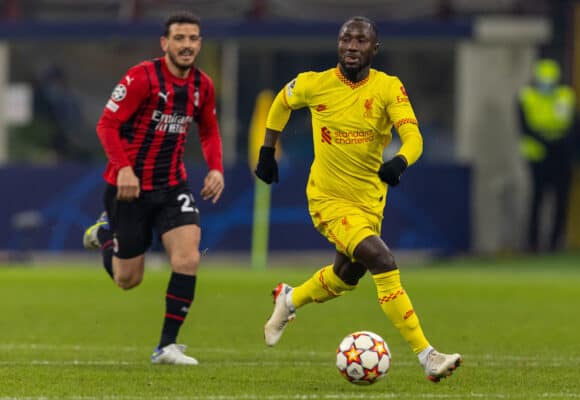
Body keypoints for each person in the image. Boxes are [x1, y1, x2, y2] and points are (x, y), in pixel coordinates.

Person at [254, 16, 462, 383]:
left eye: (360, 41)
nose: (352, 46)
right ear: (338, 45)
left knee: (346, 277)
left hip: (369, 200)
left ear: (374, 48)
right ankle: (427, 355)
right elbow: (281, 104)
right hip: (328, 199)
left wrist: (400, 160)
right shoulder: (314, 84)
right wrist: (267, 151)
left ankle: (289, 299)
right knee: (383, 259)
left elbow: (413, 137)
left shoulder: (387, 88)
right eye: (346, 39)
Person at [82, 11, 224, 365]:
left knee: (188, 257)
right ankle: (104, 234)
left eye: (193, 39)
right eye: (180, 38)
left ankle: (166, 347)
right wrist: (124, 169)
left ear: (200, 44)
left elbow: (208, 129)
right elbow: (106, 125)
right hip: (128, 188)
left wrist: (216, 169)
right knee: (128, 280)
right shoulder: (141, 77)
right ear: (165, 44)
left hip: (172, 185)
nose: (187, 45)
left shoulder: (202, 86)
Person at [518, 59, 576, 252]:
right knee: (537, 199)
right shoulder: (527, 96)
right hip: (538, 157)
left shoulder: (565, 96)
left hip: (561, 155)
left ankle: (555, 243)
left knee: (561, 200)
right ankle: (533, 243)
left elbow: (572, 124)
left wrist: (558, 144)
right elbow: (524, 127)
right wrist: (548, 142)